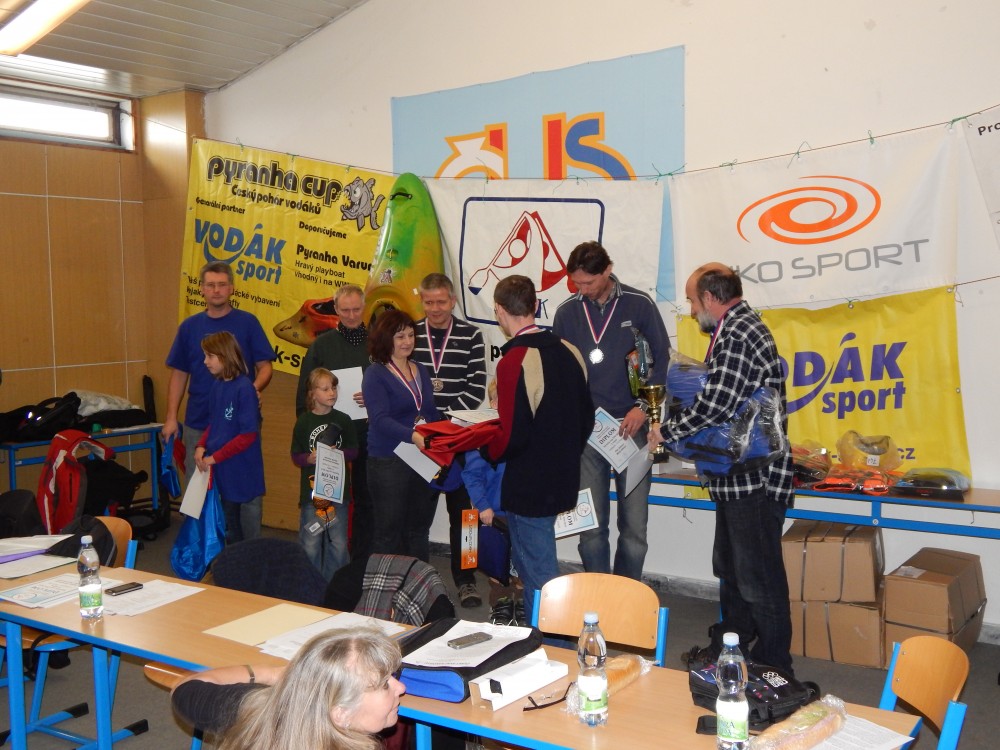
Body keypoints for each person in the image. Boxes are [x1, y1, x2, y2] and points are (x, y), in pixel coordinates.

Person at [647, 263, 794, 672]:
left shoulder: (740, 333)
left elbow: (717, 403)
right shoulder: (732, 330)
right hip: (736, 477)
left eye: (693, 301)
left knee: (758, 579)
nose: (692, 311)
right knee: (733, 573)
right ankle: (733, 648)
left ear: (711, 298)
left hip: (755, 480)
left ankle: (774, 666)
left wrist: (668, 430)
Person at [552, 240, 671, 582]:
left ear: (607, 270)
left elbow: (663, 359)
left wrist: (642, 408)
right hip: (589, 433)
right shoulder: (567, 312)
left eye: (588, 282)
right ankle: (598, 592)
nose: (582, 289)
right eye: (576, 283)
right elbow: (560, 371)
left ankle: (627, 594)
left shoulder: (639, 303)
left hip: (633, 429)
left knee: (634, 526)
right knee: (591, 527)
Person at [485, 275, 593, 625]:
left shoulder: (514, 360)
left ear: (499, 310)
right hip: (564, 475)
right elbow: (587, 419)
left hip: (529, 482)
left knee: (538, 573)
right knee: (534, 566)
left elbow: (511, 435)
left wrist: (486, 448)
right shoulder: (571, 350)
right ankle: (541, 631)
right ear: (535, 305)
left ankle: (552, 638)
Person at [171, 627, 405, 749]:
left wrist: (273, 674)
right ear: (341, 714)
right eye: (384, 685)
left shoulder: (254, 711)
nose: (401, 688)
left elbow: (184, 688)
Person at [411, 273, 487, 608]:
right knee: (417, 517)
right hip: (423, 443)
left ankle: (467, 581)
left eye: (441, 301)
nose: (435, 308)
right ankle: (416, 579)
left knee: (467, 518)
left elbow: (477, 388)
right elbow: (404, 386)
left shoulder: (472, 335)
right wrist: (427, 428)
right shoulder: (410, 334)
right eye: (429, 302)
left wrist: (444, 425)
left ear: (453, 300)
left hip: (459, 441)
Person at [164, 261, 275, 479]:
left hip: (239, 422)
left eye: (222, 284)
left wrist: (250, 392)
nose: (216, 290)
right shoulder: (189, 327)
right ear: (202, 289)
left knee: (242, 485)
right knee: (197, 486)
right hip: (198, 419)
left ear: (232, 288)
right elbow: (179, 374)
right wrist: (171, 417)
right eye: (211, 285)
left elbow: (265, 367)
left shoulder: (248, 323)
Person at [296, 285, 375, 560]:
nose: (351, 315)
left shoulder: (378, 343)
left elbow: (394, 386)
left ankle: (361, 560)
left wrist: (375, 397)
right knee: (324, 500)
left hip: (368, 435)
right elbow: (304, 393)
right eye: (345, 310)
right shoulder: (321, 345)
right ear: (336, 310)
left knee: (366, 500)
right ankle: (321, 560)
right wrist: (309, 435)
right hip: (330, 438)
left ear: (364, 308)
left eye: (356, 309)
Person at [362, 310, 441, 562]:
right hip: (388, 461)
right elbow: (379, 419)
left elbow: (430, 412)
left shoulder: (421, 370)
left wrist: (448, 431)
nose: (407, 341)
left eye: (410, 335)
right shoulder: (375, 374)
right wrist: (413, 435)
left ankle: (420, 583)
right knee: (388, 533)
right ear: (386, 340)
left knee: (418, 529)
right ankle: (383, 586)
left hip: (422, 458)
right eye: (400, 337)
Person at [194, 332, 265, 543]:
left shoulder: (244, 388)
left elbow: (248, 435)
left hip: (240, 467)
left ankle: (241, 560)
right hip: (222, 465)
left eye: (210, 356)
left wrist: (214, 457)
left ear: (225, 356)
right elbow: (215, 423)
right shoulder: (217, 386)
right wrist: (201, 445)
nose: (205, 361)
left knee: (235, 525)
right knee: (227, 521)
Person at [291, 368, 359, 580]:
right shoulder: (304, 422)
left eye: (334, 388)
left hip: (338, 493)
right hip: (312, 494)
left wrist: (336, 454)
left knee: (338, 543)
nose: (332, 393)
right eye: (325, 388)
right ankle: (311, 583)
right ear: (312, 394)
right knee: (311, 540)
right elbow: (295, 455)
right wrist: (308, 459)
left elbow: (354, 451)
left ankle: (334, 585)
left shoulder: (343, 420)